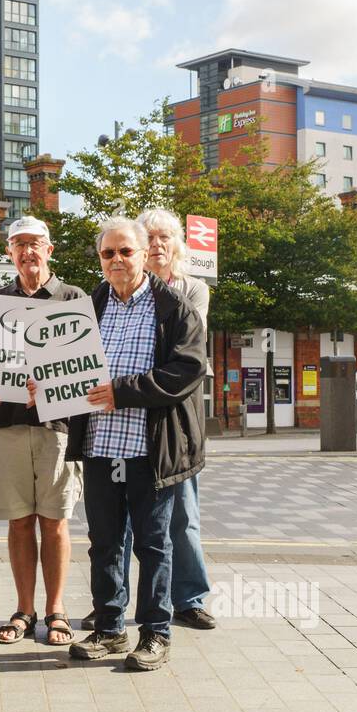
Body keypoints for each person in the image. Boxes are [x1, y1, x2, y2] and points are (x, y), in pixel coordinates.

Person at [65, 217, 207, 671]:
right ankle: (109, 629)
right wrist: (49, 388)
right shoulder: (91, 306)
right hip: (102, 446)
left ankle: (155, 633)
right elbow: (71, 369)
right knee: (104, 541)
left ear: (145, 254)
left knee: (153, 544)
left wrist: (122, 391)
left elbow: (187, 370)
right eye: (108, 254)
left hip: (152, 449)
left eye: (126, 251)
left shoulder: (175, 308)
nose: (117, 261)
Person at [0, 216, 86, 647]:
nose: (28, 252)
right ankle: (25, 608)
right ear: (10, 252)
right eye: (19, 244)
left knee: (55, 521)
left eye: (35, 243)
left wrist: (53, 385)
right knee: (19, 521)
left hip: (57, 426)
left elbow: (83, 369)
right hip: (7, 424)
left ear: (49, 249)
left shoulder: (73, 297)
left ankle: (56, 610)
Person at [133, 209, 214, 629]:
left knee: (183, 513)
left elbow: (183, 351)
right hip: (131, 416)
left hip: (178, 419)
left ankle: (191, 597)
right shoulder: (120, 292)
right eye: (150, 238)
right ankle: (116, 600)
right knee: (127, 518)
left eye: (165, 237)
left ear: (177, 244)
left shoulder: (194, 289)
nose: (158, 244)